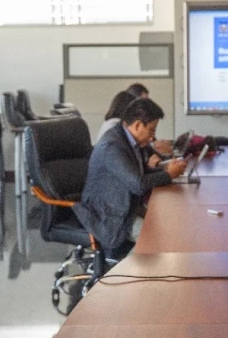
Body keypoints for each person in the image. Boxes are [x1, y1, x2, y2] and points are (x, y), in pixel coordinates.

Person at [73, 98, 188, 258]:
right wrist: (169, 174)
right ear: (138, 125)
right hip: (108, 213)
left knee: (173, 226)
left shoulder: (130, 140)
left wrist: (165, 169)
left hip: (127, 206)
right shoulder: (112, 147)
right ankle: (124, 277)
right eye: (152, 130)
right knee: (156, 240)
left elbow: (139, 173)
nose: (152, 137)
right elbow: (138, 184)